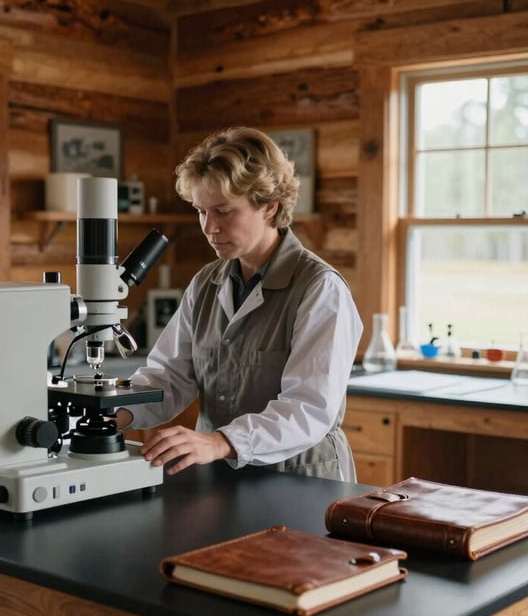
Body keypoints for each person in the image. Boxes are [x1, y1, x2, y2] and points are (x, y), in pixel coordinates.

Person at [116, 126, 362, 481]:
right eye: (201, 211)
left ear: (269, 206)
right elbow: (169, 377)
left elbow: (308, 408)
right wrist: (113, 412)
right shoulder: (205, 284)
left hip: (302, 479)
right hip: (221, 477)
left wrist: (219, 442)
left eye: (223, 211)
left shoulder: (319, 288)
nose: (208, 227)